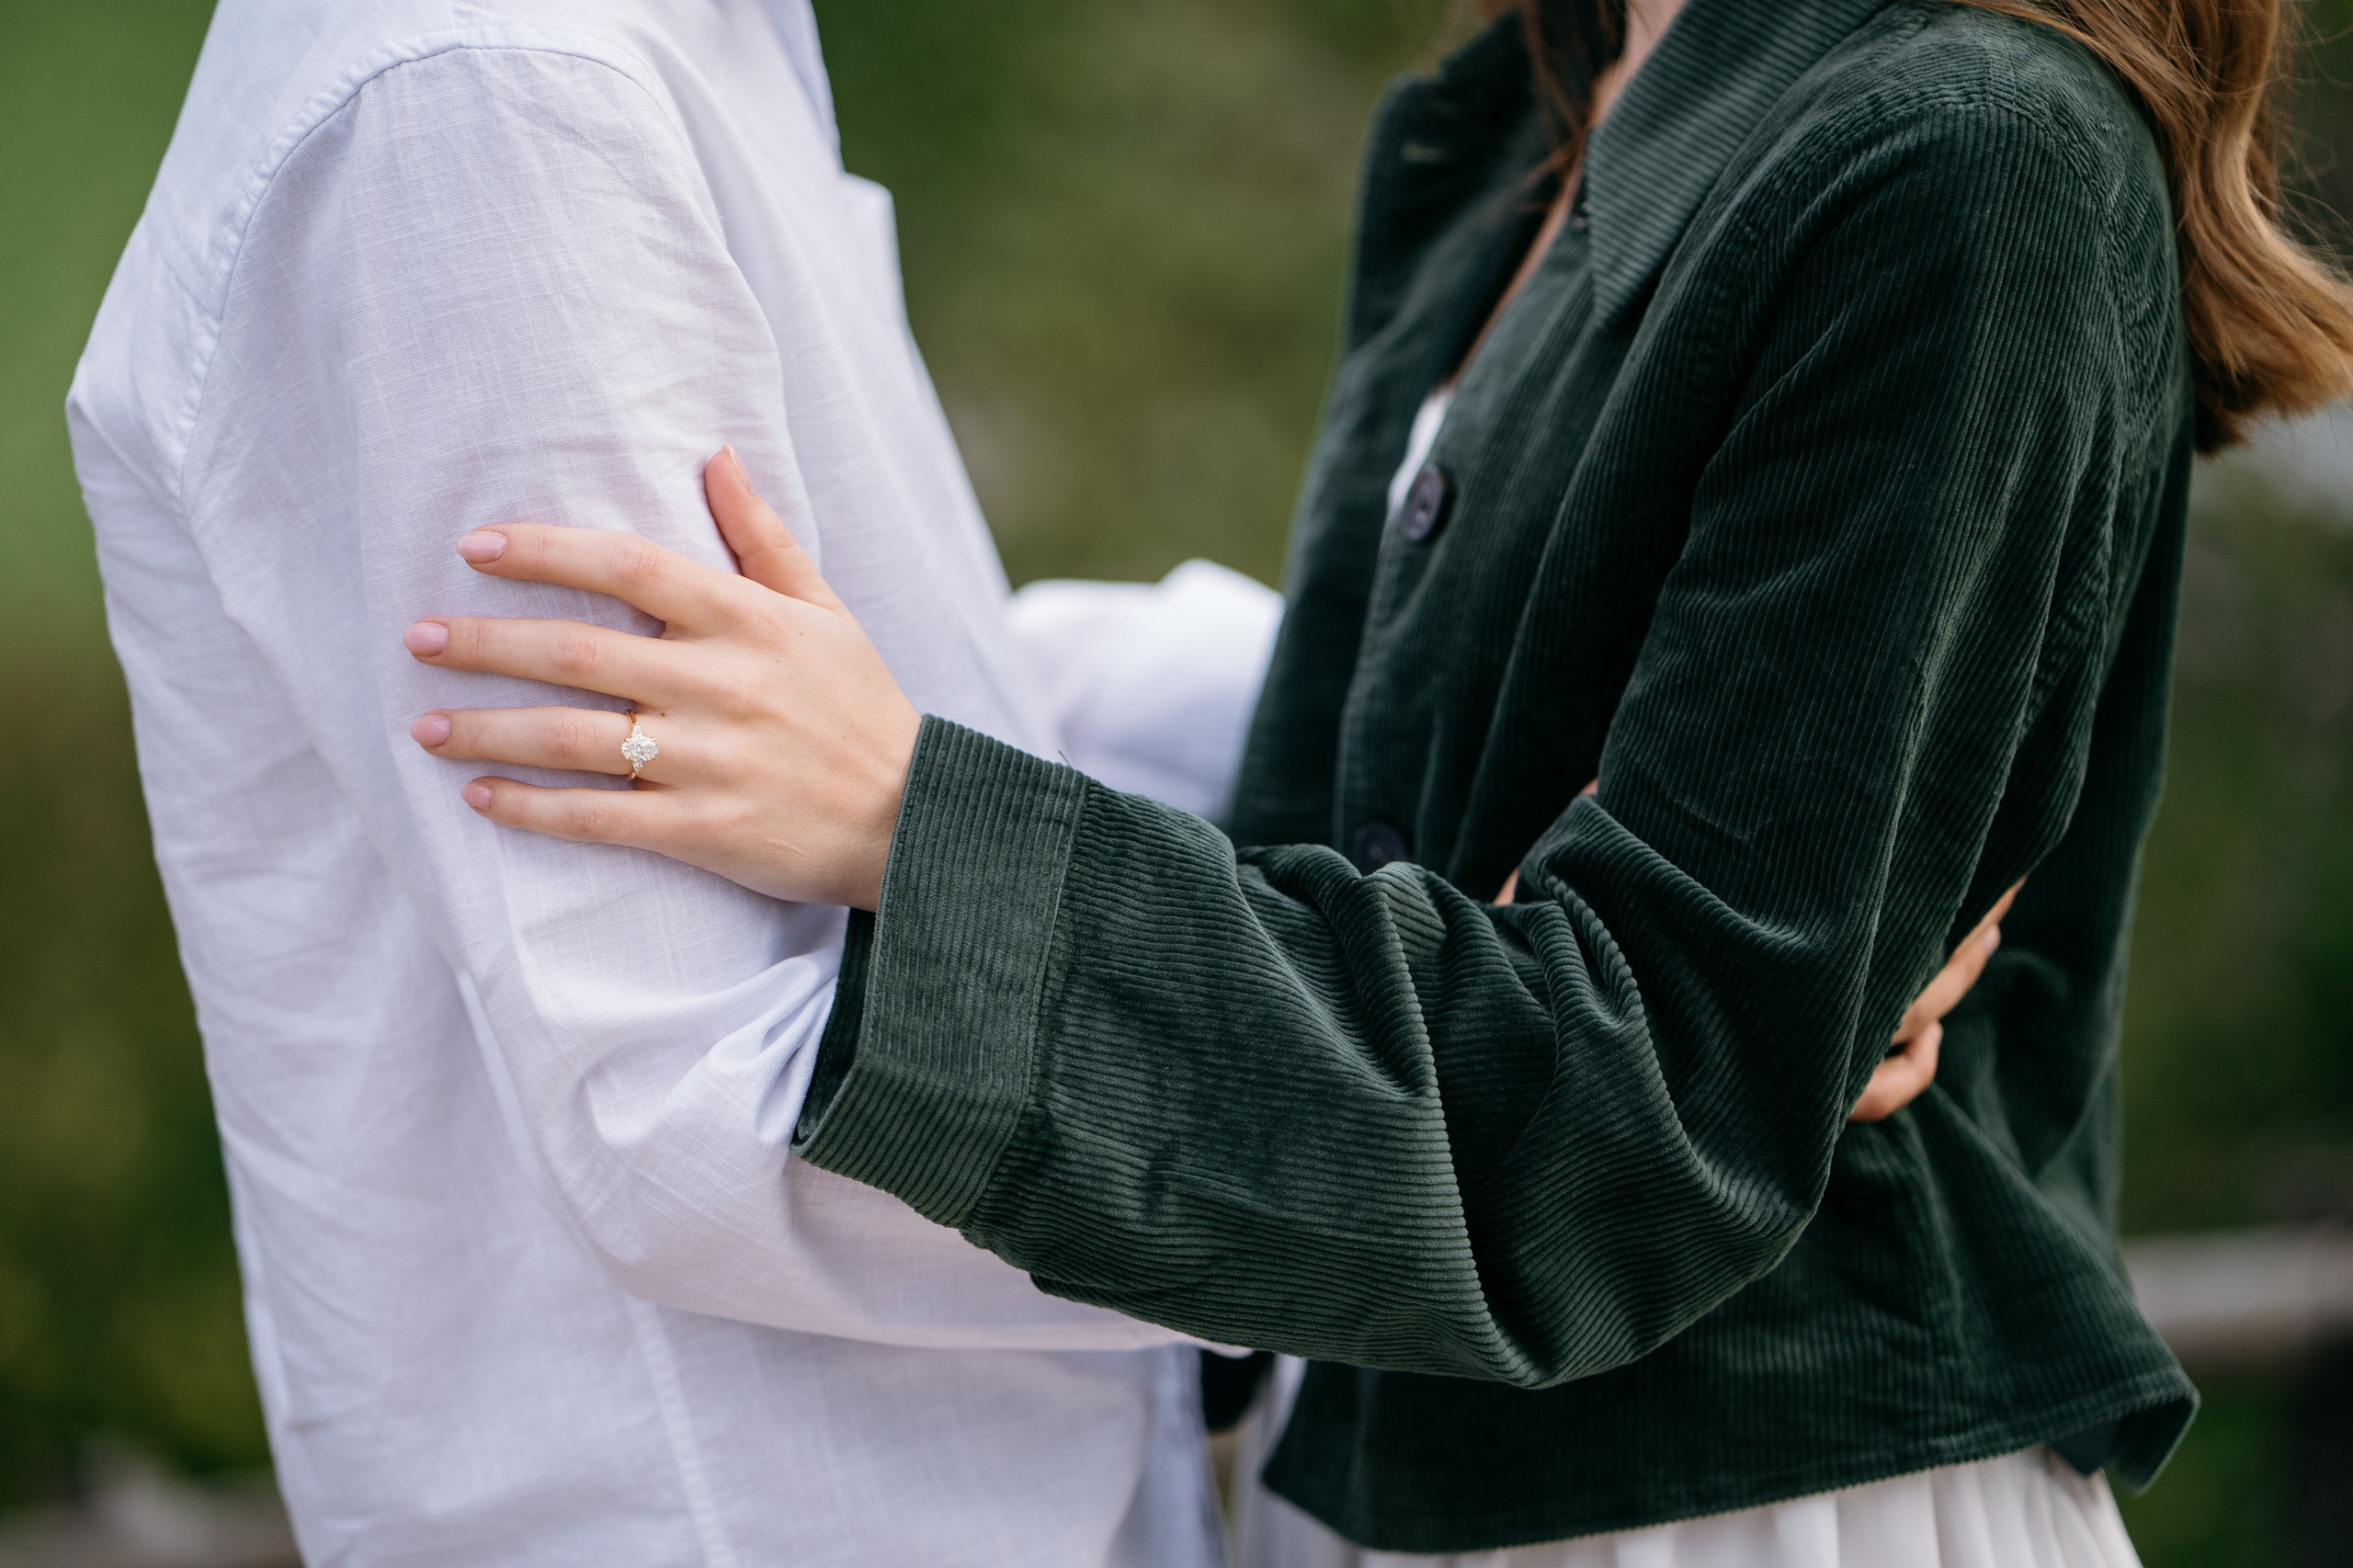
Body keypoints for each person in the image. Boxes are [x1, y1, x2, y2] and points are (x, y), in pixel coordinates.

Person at [398, 0, 2353, 1562]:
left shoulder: (1965, 154)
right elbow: (1381, 847)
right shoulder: (1520, 124)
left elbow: (1619, 1128)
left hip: (1754, 1505)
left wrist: (915, 823)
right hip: (1366, 1475)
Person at [67, 2, 1292, 1562]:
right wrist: (1436, 1095)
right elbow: (688, 1085)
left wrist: (1434, 680)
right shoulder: (494, 104)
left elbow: (870, 691)